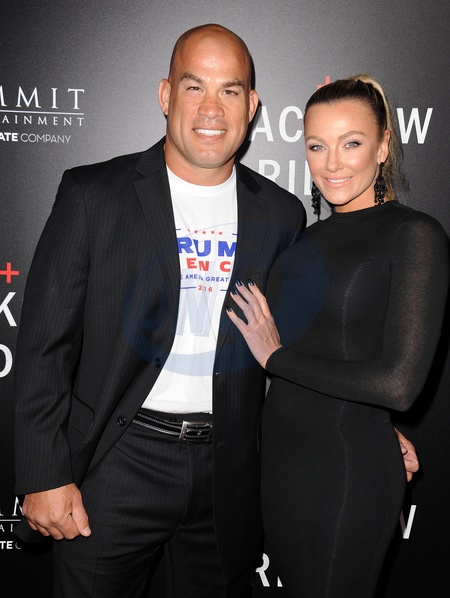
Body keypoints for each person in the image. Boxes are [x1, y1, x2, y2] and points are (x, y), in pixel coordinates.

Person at [13, 24, 418, 597]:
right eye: (193, 86)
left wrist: (365, 424)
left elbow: (297, 344)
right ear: (165, 95)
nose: (211, 108)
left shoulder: (281, 215)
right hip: (114, 464)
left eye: (229, 90)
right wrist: (44, 475)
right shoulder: (93, 194)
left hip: (229, 473)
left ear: (251, 107)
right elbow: (42, 347)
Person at [227, 75, 448, 597]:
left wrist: (277, 358)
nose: (332, 163)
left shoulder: (413, 235)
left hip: (348, 470)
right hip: (281, 466)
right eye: (316, 146)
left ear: (383, 147)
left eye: (351, 143)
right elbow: (329, 349)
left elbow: (398, 385)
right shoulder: (300, 240)